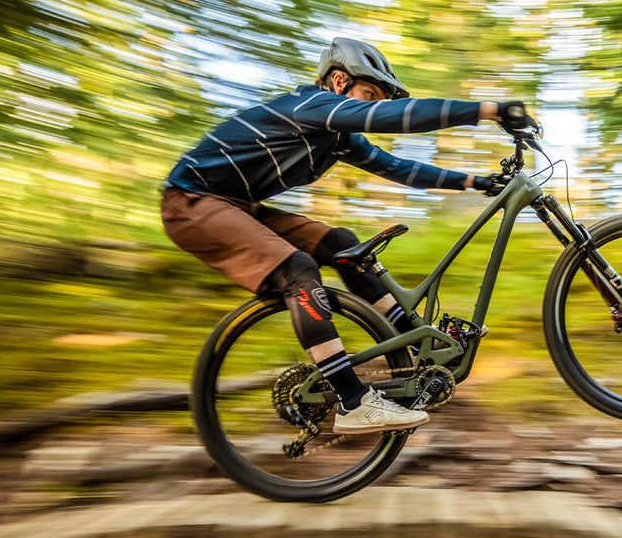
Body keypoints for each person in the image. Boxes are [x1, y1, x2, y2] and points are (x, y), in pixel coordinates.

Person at [161, 37, 535, 434]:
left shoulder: (338, 139)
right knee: (298, 269)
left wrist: (477, 182)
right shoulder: (309, 106)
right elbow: (398, 118)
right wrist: (489, 110)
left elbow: (400, 169)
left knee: (342, 244)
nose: (372, 108)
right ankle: (353, 403)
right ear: (338, 82)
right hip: (191, 202)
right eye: (369, 95)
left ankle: (415, 342)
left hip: (237, 205)